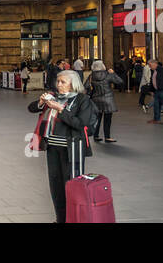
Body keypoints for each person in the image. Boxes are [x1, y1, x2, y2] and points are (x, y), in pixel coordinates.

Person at [28, 70, 97, 224]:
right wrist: (40, 102)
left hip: (71, 148)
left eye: (63, 82)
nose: (59, 85)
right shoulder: (54, 97)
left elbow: (80, 124)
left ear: (73, 84)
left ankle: (73, 219)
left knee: (71, 184)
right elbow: (31, 108)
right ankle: (60, 219)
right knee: (56, 185)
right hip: (52, 147)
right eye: (58, 81)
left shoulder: (82, 100)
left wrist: (60, 109)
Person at [85, 60, 123, 143]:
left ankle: (96, 135)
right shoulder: (108, 74)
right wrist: (113, 73)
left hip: (95, 99)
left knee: (97, 118)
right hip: (107, 99)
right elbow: (120, 81)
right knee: (107, 119)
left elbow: (86, 86)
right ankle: (107, 137)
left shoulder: (91, 76)